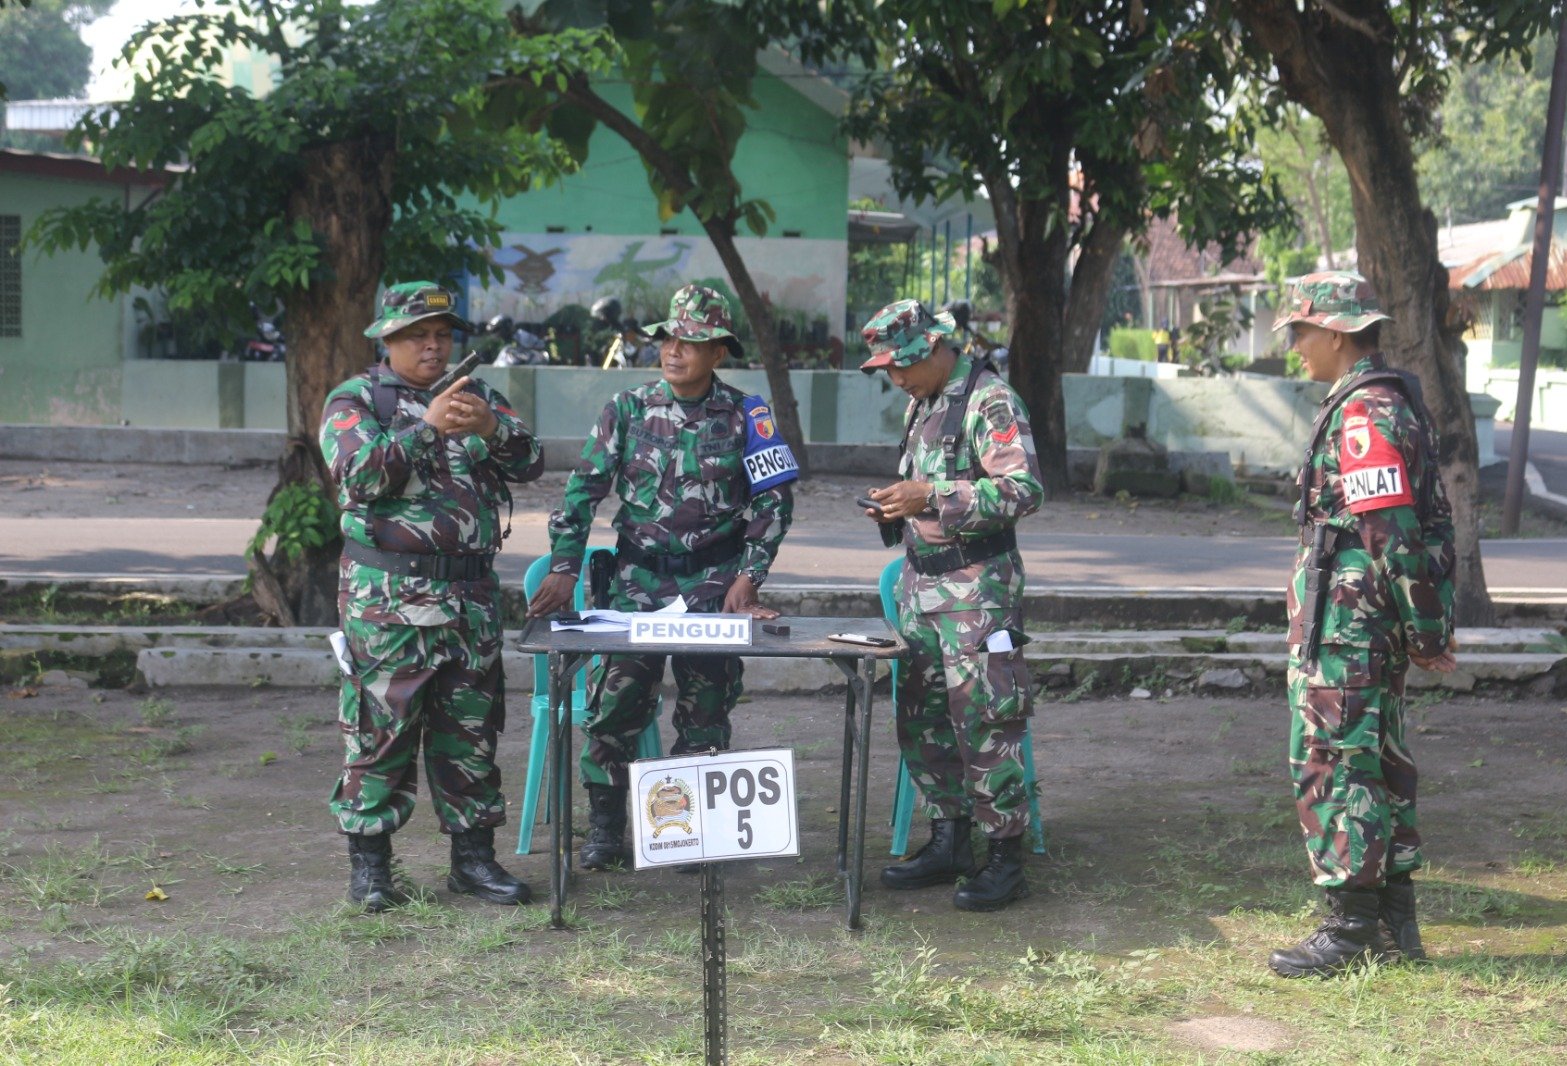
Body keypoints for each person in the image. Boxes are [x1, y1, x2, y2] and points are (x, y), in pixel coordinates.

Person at [526, 283, 797, 870]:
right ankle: (605, 829)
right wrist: (566, 568)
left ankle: (686, 835)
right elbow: (580, 496)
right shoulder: (625, 410)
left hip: (714, 585)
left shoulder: (748, 414)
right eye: (668, 339)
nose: (674, 351)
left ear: (718, 352)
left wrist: (749, 577)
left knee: (705, 711)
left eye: (691, 342)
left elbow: (776, 503)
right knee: (615, 706)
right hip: (634, 587)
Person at [322, 280, 544, 912]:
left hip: (469, 596)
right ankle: (371, 870)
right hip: (389, 599)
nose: (433, 345)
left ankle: (473, 862)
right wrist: (425, 426)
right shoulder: (356, 400)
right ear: (387, 339)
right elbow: (359, 476)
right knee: (381, 731)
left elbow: (532, 462)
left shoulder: (477, 395)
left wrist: (494, 426)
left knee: (469, 730)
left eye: (443, 335)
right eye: (419, 335)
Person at [1269, 271, 1457, 978]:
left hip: (1352, 627)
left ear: (1339, 332)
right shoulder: (1384, 403)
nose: (1296, 347)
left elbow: (1390, 532)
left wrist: (1428, 630)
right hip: (1365, 621)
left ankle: (1349, 928)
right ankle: (1392, 923)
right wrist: (1424, 625)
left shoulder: (1363, 416)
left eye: (1301, 332)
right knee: (1378, 758)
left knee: (1340, 762)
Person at [858, 298, 1043, 912]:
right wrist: (899, 505)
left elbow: (1021, 490)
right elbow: (927, 496)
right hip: (922, 588)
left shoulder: (990, 401)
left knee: (986, 721)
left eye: (902, 365)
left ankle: (1004, 856)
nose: (895, 378)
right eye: (888, 369)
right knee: (924, 718)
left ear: (938, 349)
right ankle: (949, 839)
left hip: (977, 594)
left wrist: (929, 495)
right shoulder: (924, 404)